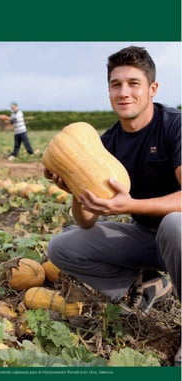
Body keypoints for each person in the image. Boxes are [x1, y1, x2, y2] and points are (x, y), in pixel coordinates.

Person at [44, 46, 181, 364]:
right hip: (147, 237)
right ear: (108, 90)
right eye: (116, 84)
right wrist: (77, 193)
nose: (124, 92)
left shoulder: (175, 126)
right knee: (63, 246)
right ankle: (146, 284)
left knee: (175, 223)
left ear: (152, 88)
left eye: (133, 83)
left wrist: (132, 203)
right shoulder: (105, 143)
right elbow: (88, 221)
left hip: (179, 234)